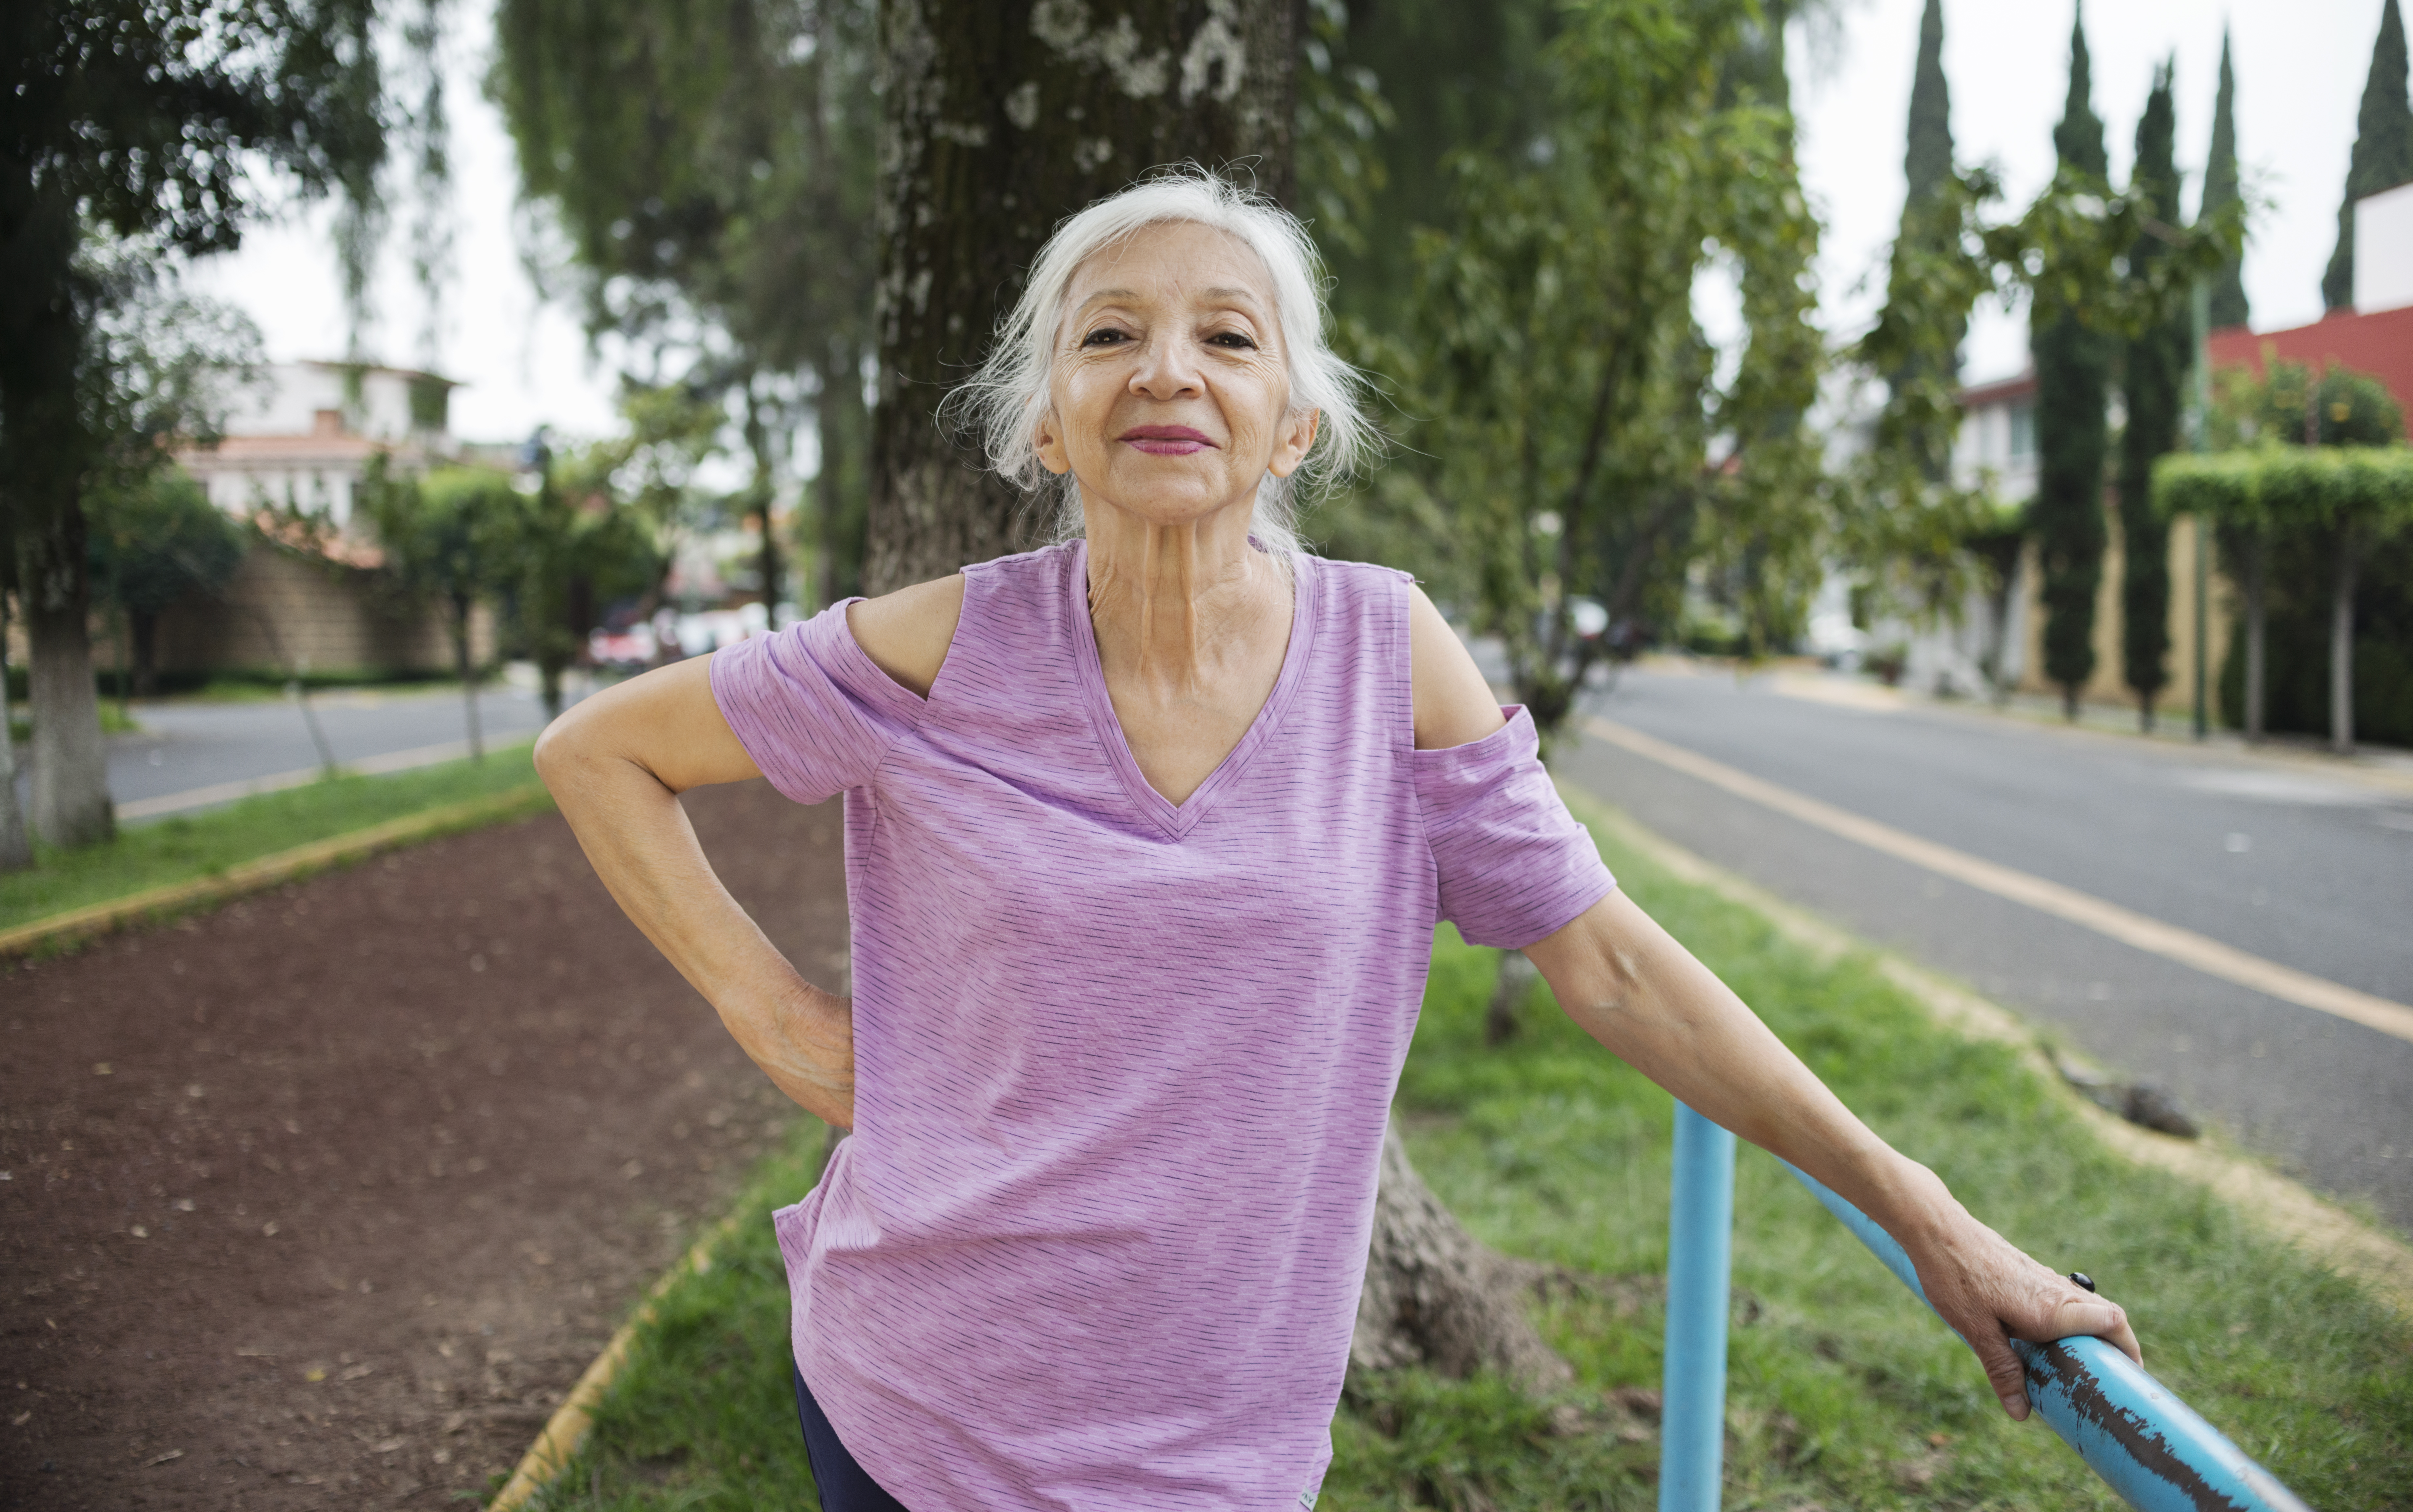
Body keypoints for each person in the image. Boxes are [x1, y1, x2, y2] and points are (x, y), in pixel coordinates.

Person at [534, 170, 2139, 1512]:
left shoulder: (1392, 655)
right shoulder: (941, 648)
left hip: (1225, 1441)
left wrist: (1924, 1213)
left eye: (1226, 338)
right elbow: (600, 752)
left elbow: (1609, 957)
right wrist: (786, 1022)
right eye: (1111, 336)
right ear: (1046, 425)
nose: (1169, 370)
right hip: (923, 1399)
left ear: (1292, 427)